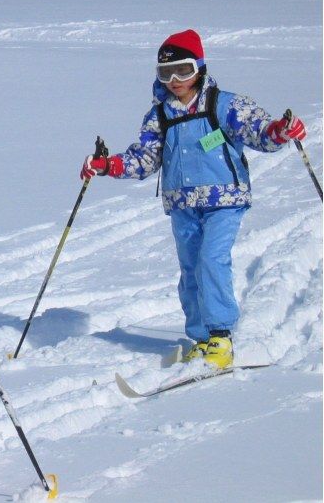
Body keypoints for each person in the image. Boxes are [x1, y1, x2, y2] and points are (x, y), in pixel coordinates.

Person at [80, 29, 307, 369]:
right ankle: (201, 337)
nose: (174, 80)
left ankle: (220, 336)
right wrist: (108, 165)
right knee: (190, 271)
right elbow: (144, 159)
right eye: (165, 73)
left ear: (200, 67)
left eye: (183, 71)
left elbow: (260, 133)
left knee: (212, 260)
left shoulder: (226, 104)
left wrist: (280, 130)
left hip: (224, 200)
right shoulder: (160, 115)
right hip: (182, 206)